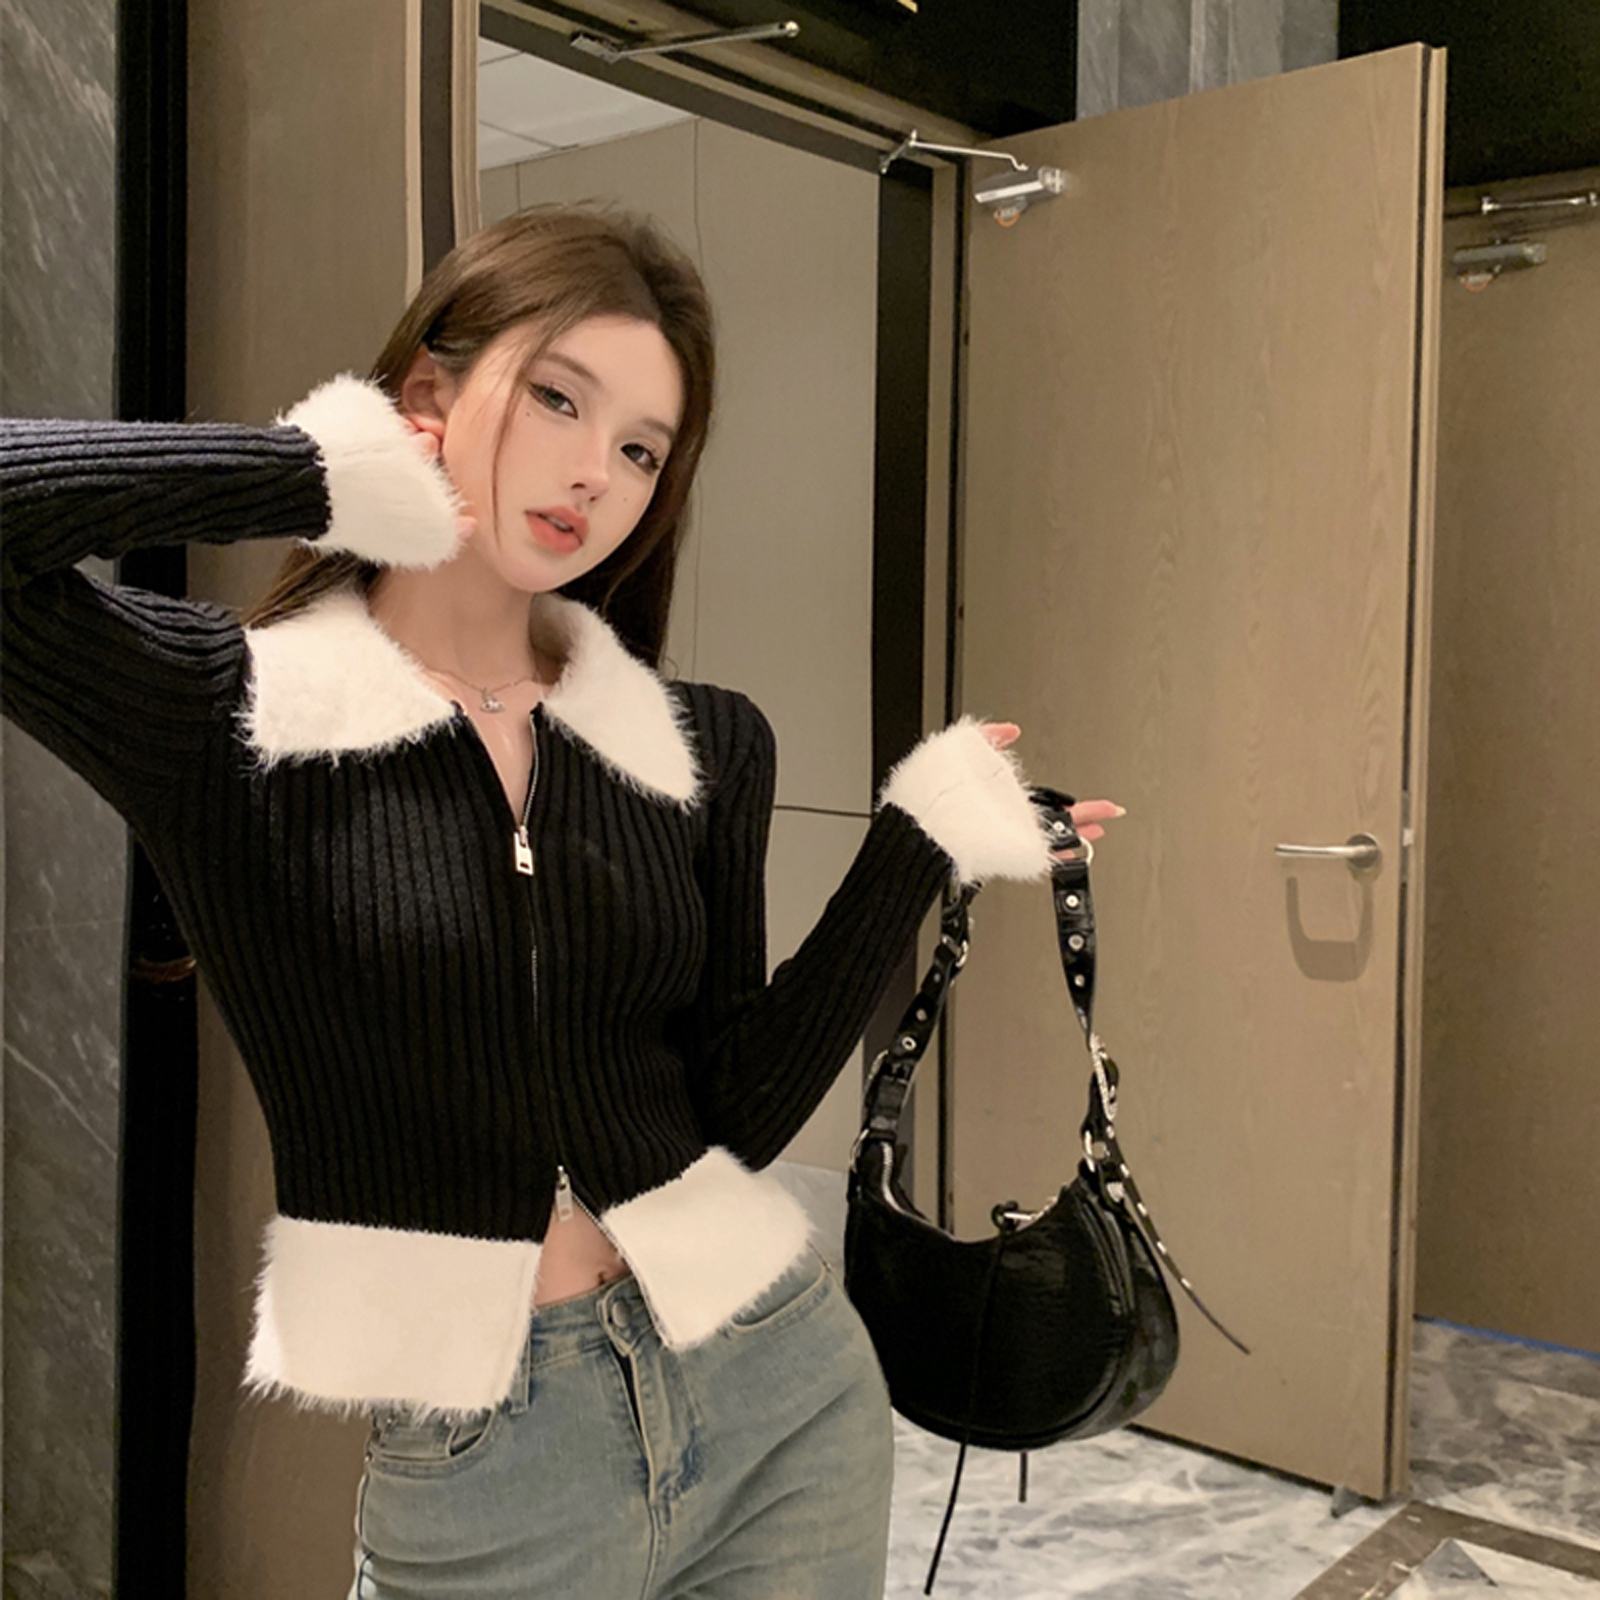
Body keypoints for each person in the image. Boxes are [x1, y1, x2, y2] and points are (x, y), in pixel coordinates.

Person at [0, 206, 1120, 1599]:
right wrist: (313, 469)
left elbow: (733, 1108)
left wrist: (915, 847)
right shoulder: (232, 712)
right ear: (427, 393)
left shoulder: (703, 742)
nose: (597, 472)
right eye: (558, 399)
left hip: (775, 1384)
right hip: (493, 1452)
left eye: (644, 449)